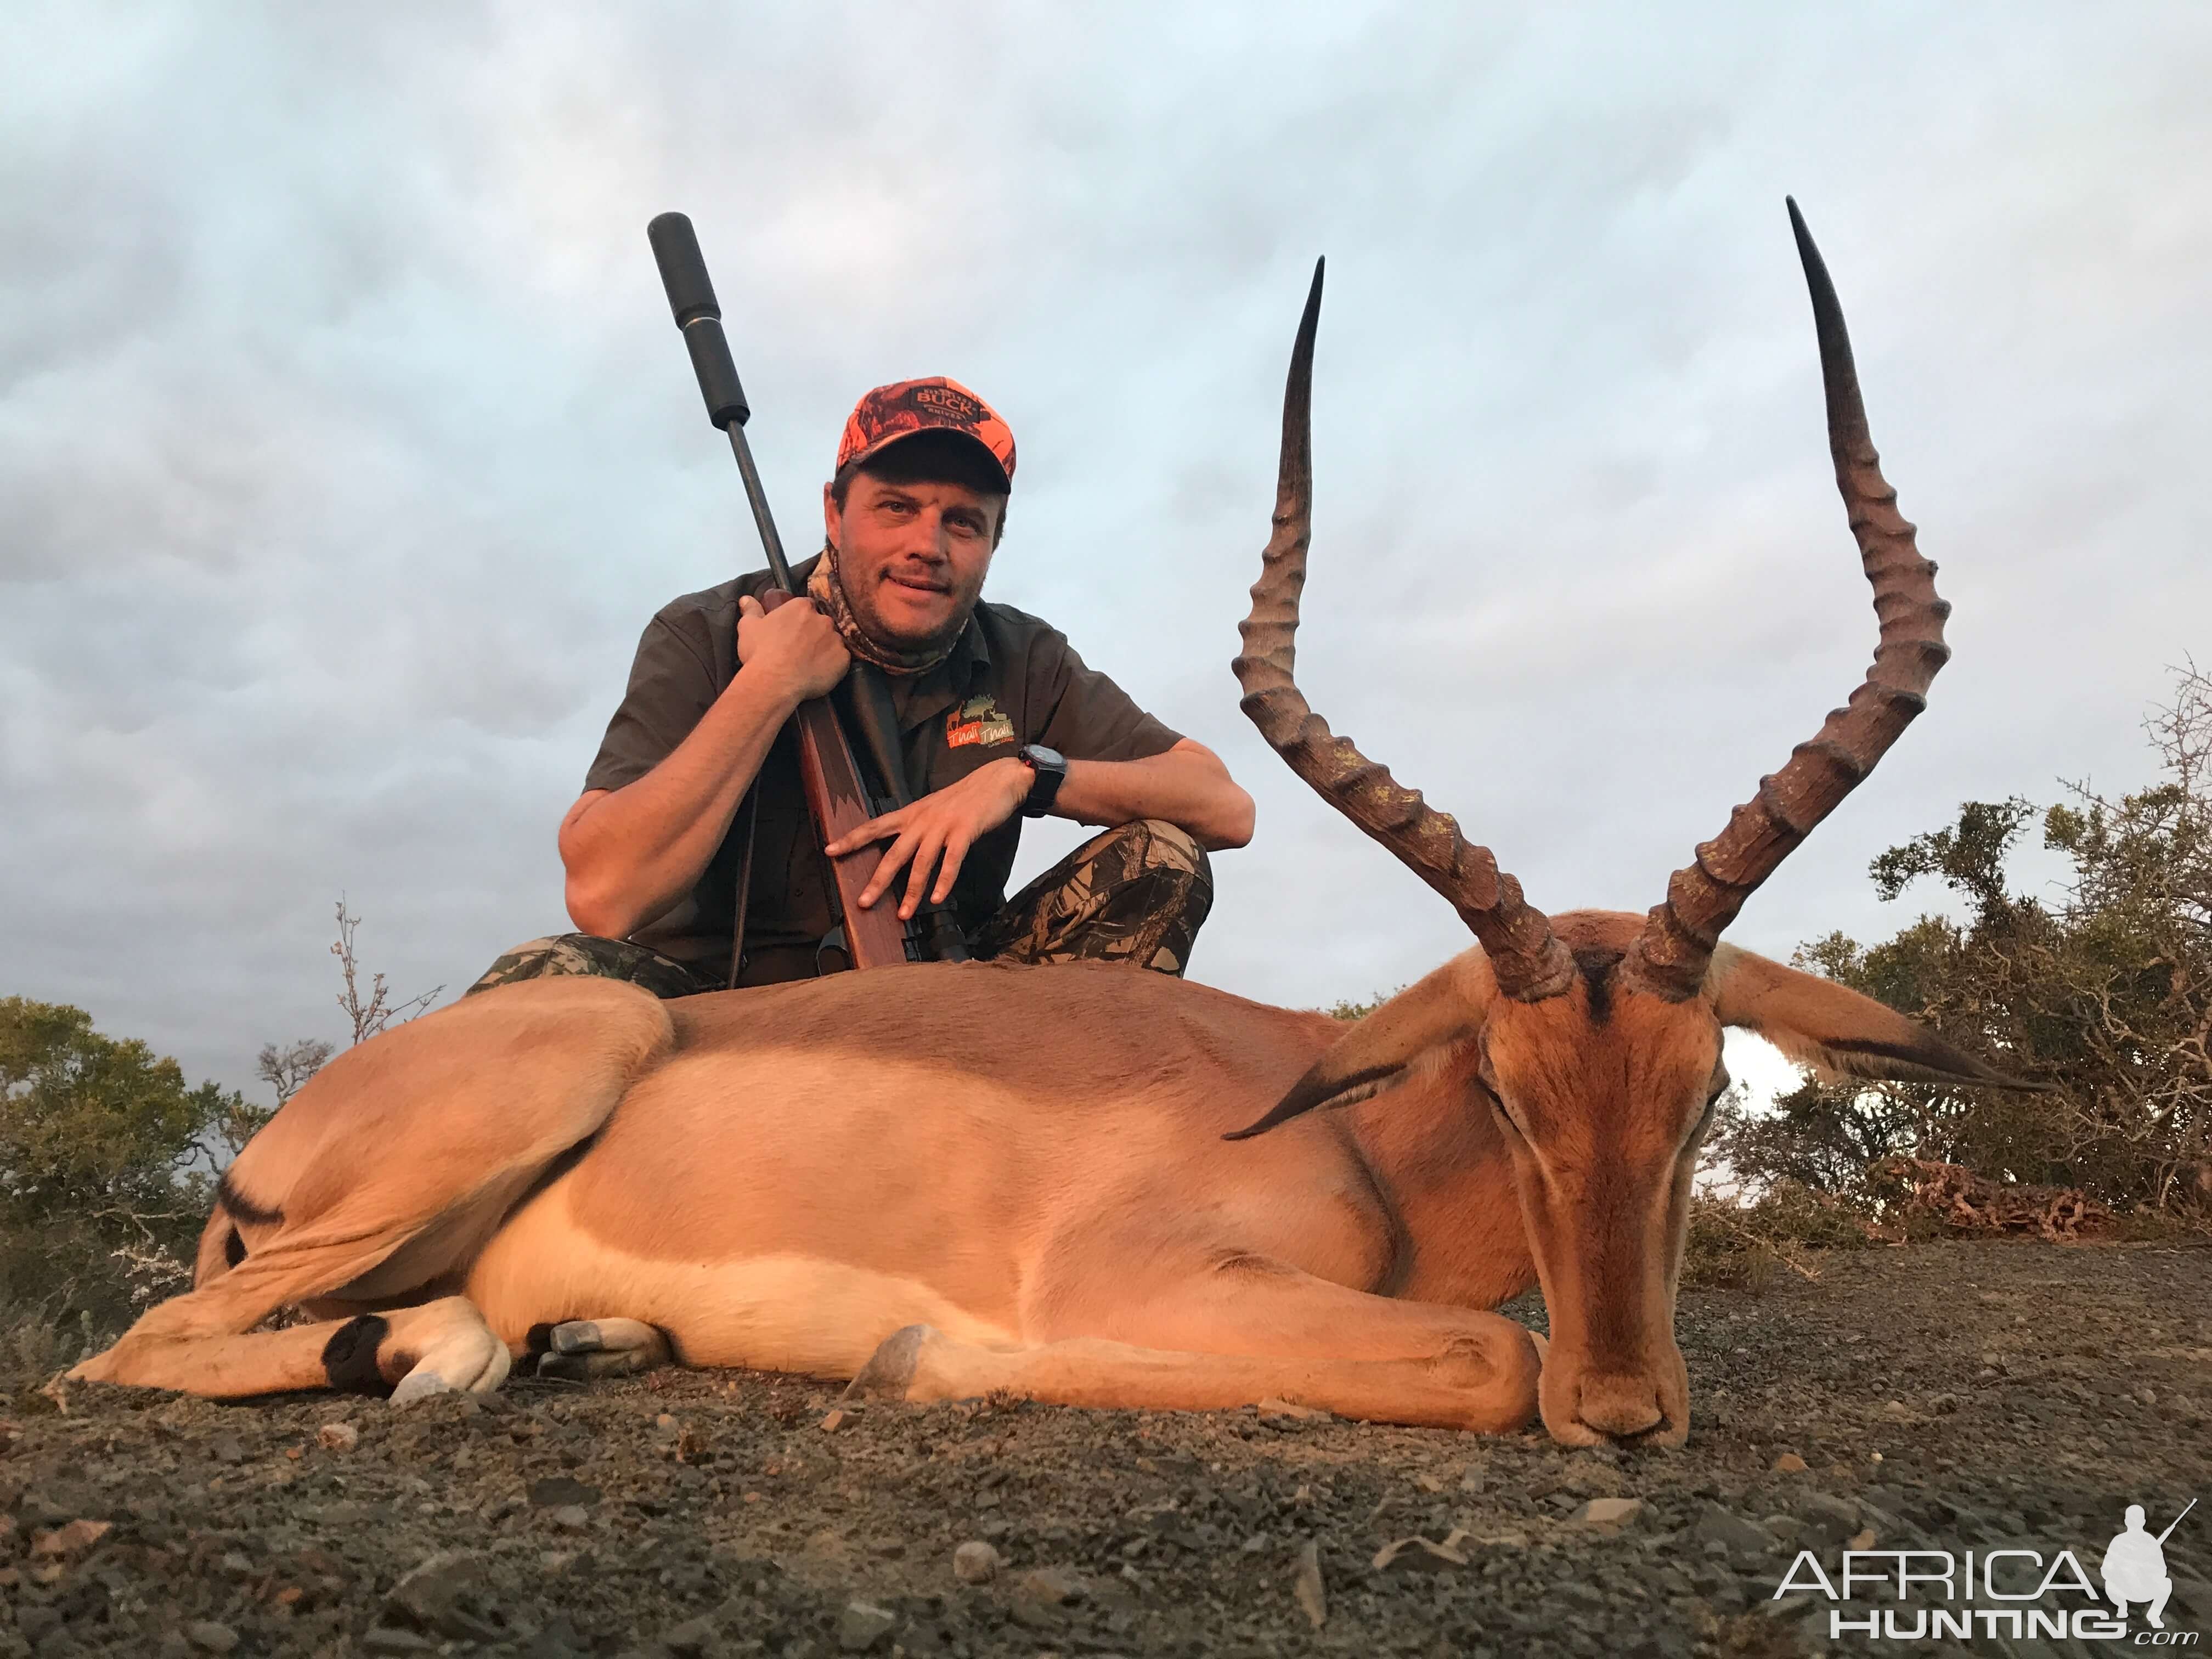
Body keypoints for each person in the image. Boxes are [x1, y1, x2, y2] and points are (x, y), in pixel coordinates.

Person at [469, 377, 1254, 996]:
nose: (928, 545)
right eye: (896, 507)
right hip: (719, 1012)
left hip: (953, 1003)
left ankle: (1056, 1169)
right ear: (833, 513)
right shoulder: (703, 632)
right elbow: (605, 895)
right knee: (541, 981)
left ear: (991, 544)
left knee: (1164, 857)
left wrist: (1025, 776)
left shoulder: (1026, 655)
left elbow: (1225, 807)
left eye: (963, 522)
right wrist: (768, 685)